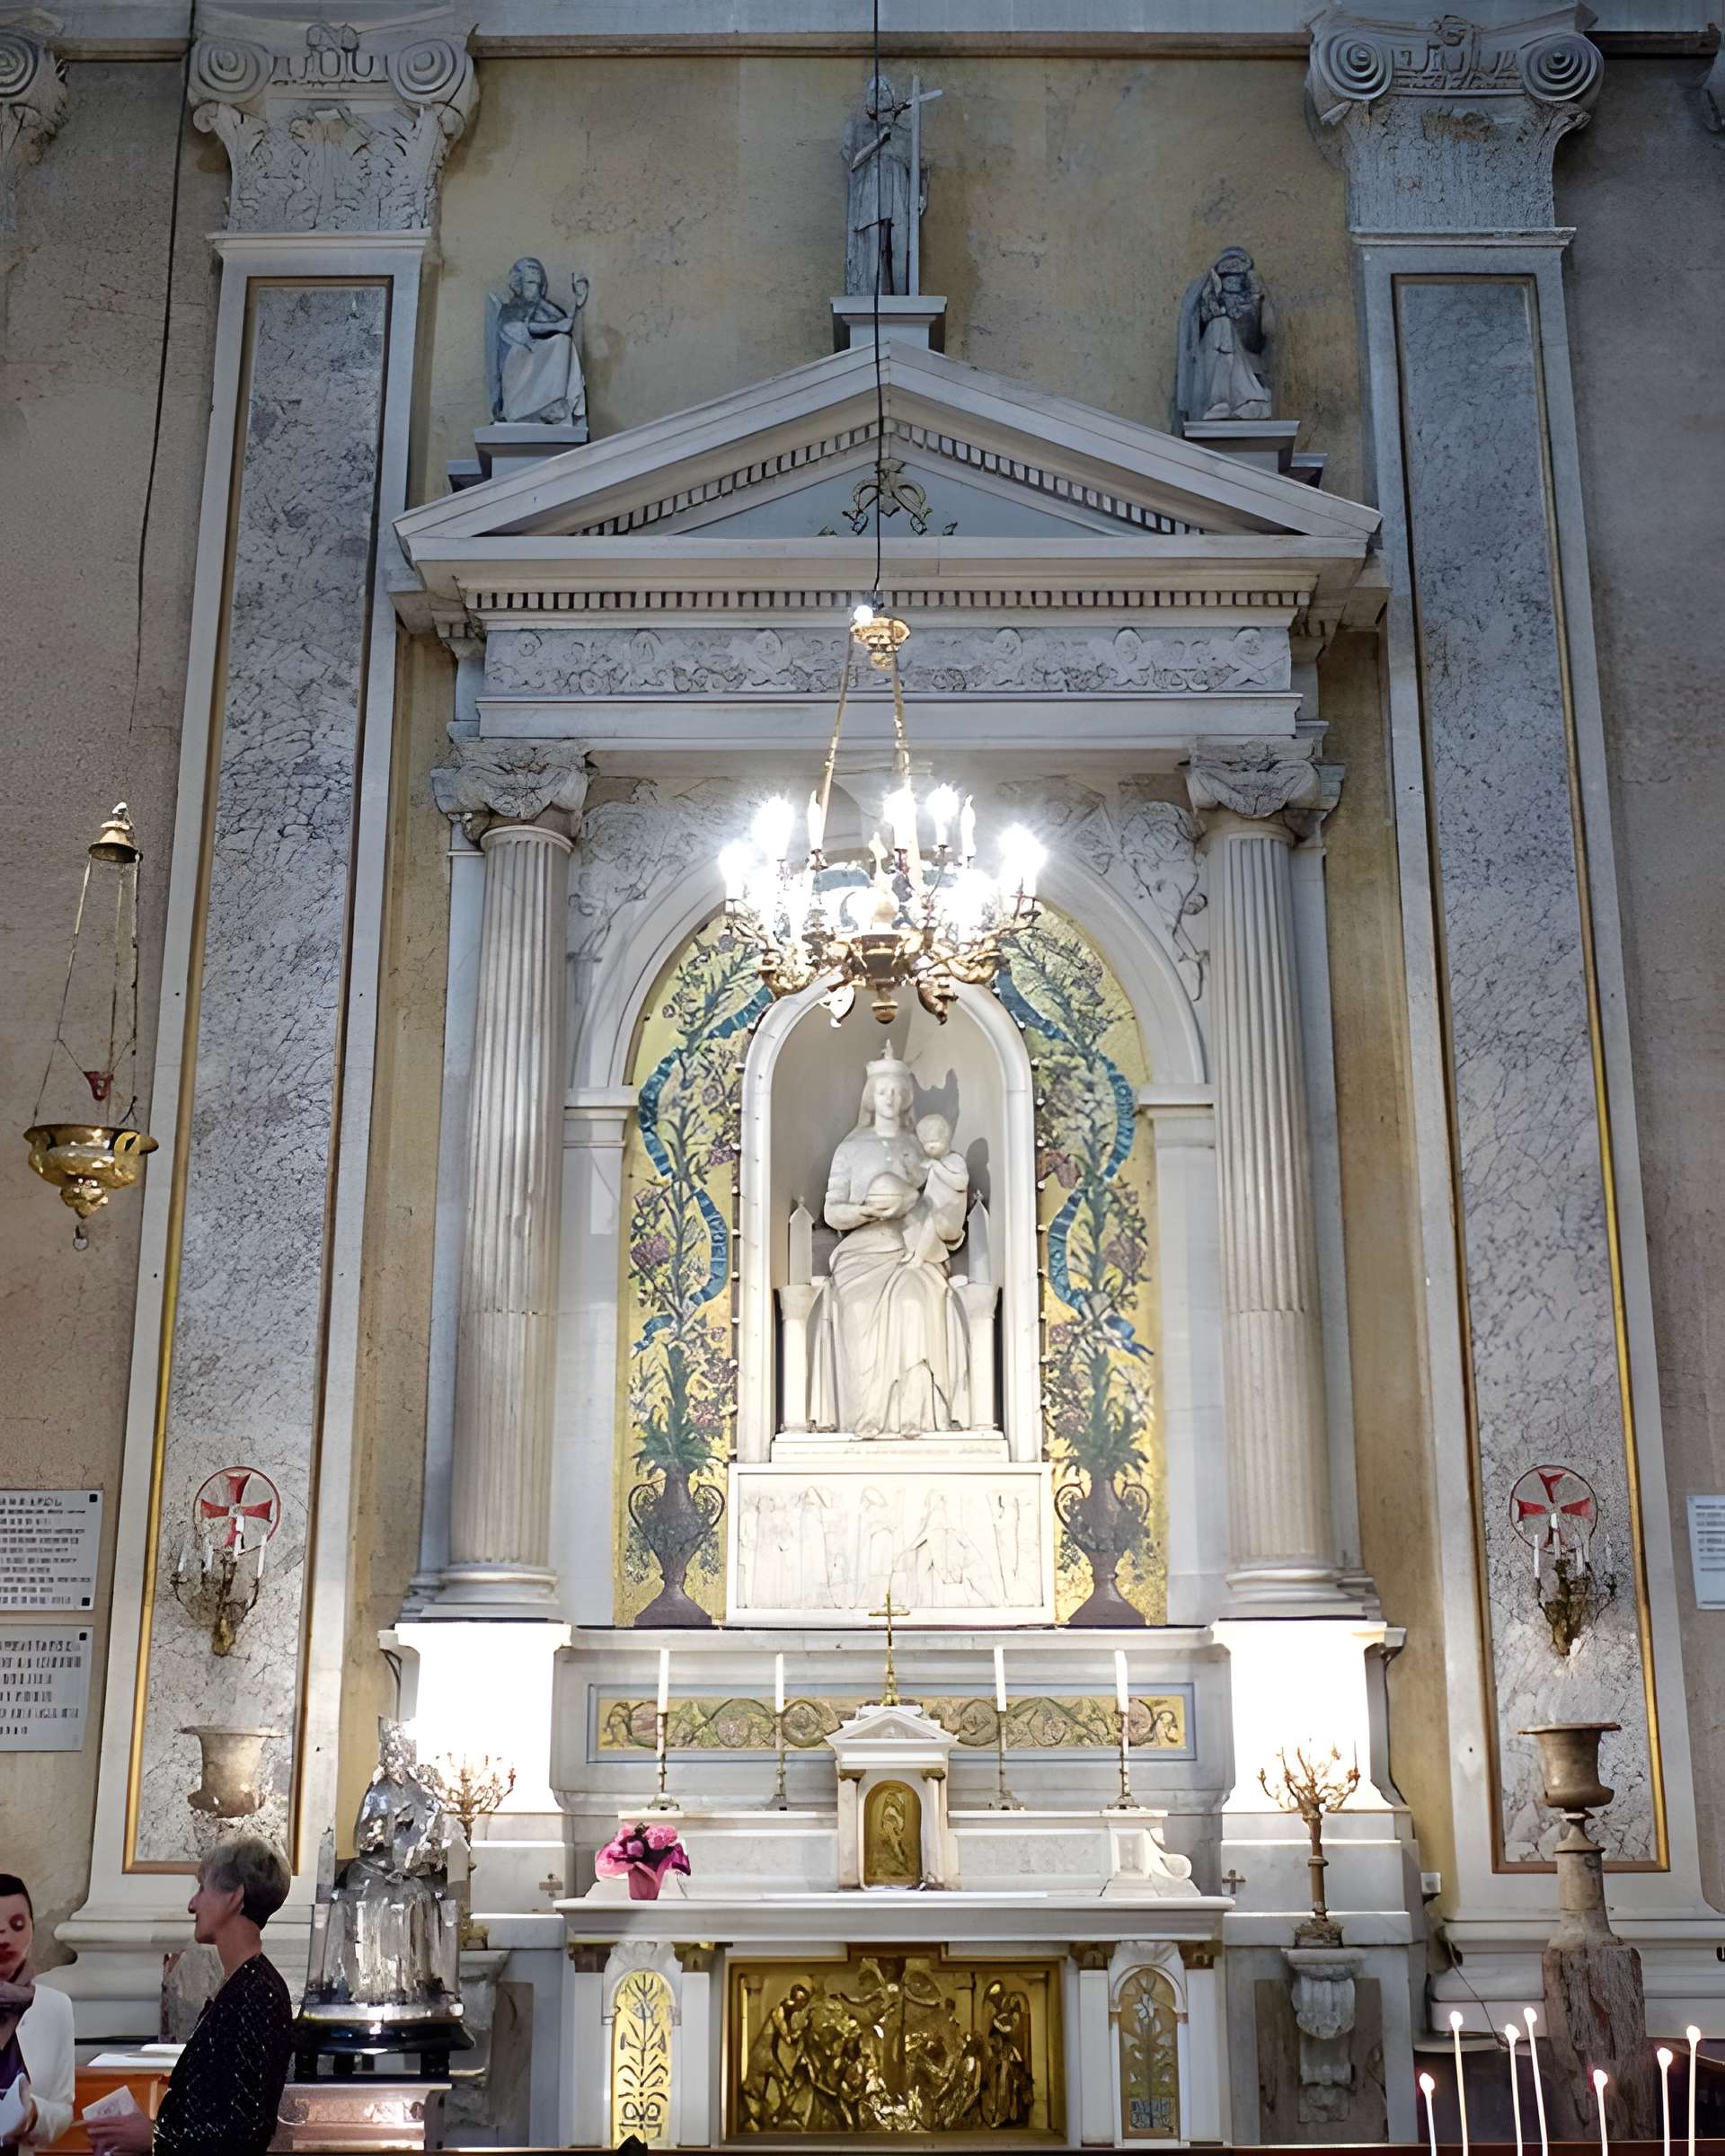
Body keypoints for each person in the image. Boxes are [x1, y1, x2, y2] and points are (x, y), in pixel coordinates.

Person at [87, 1838, 292, 2156]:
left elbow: (246, 2130)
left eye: (201, 1889)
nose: (191, 1905)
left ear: (234, 1897)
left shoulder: (258, 1991)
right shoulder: (240, 1983)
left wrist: (157, 2138)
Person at [0, 1874, 75, 2151]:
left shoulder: (55, 2007)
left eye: (16, 1925)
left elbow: (63, 2109)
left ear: (32, 1928)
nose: (4, 1936)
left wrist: (32, 2114)